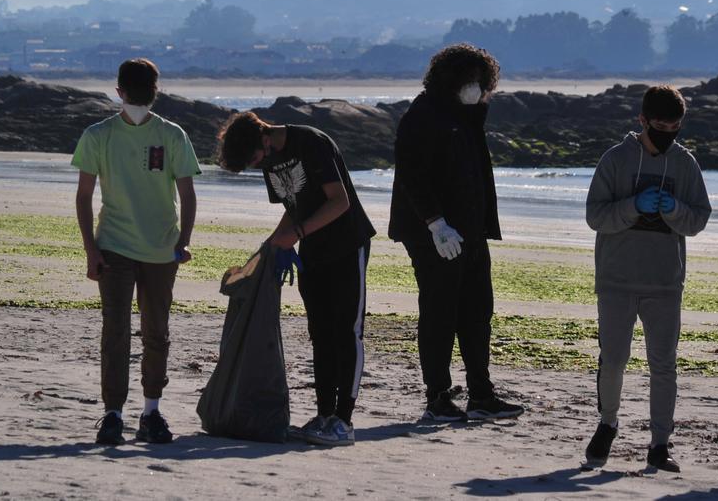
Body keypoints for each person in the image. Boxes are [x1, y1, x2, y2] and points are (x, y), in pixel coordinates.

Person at [216, 111, 376, 446]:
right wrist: (270, 247)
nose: (258, 164)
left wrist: (297, 233)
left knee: (347, 332)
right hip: (312, 252)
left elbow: (340, 202)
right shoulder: (269, 162)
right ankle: (323, 415)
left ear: (263, 136)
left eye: (256, 158)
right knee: (320, 334)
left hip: (347, 246)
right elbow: (293, 206)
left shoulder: (310, 143)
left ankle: (343, 421)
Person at [388, 43, 524, 422]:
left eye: (484, 83)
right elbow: (413, 176)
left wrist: (478, 104)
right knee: (439, 314)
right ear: (454, 80)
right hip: (434, 234)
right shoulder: (422, 115)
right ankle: (437, 396)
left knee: (478, 313)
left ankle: (481, 393)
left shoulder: (467, 115)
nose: (482, 89)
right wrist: (435, 224)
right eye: (476, 82)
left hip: (472, 231)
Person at [583, 85, 711, 473]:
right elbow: (595, 216)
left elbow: (699, 218)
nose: (668, 132)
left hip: (664, 284)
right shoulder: (616, 159)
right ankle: (607, 423)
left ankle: (659, 443)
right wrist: (631, 207)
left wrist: (674, 212)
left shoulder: (686, 164)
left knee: (663, 365)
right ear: (642, 120)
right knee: (615, 359)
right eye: (660, 125)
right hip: (616, 280)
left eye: (675, 126)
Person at [73, 58, 201, 445]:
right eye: (134, 92)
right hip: (114, 246)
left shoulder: (172, 135)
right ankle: (113, 413)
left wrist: (184, 241)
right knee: (116, 331)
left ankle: (151, 411)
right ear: (120, 93)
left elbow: (188, 193)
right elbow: (83, 197)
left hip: (162, 250)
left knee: (156, 332)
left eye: (143, 93)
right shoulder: (98, 135)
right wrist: (91, 250)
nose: (137, 98)